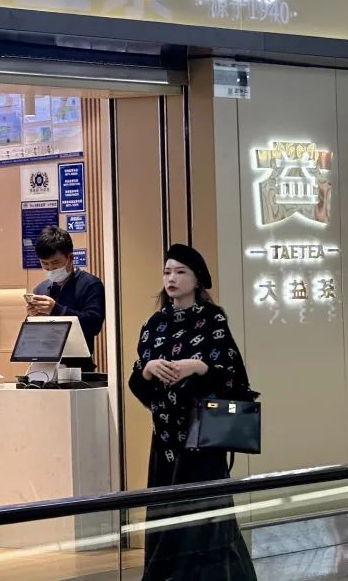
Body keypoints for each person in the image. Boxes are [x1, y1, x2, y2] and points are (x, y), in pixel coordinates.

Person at [128, 244, 257, 581]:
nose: (171, 278)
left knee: (205, 516)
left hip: (202, 435)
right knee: (165, 514)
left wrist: (198, 367)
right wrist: (148, 371)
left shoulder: (213, 320)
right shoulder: (154, 324)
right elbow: (137, 384)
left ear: (197, 279)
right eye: (167, 272)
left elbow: (235, 379)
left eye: (180, 272)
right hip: (165, 438)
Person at [27, 226, 105, 371]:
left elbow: (94, 324)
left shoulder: (91, 284)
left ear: (70, 257)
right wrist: (32, 319)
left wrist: (55, 309)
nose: (50, 269)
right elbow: (33, 338)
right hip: (44, 366)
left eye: (55, 263)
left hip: (79, 369)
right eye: (45, 264)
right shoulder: (40, 289)